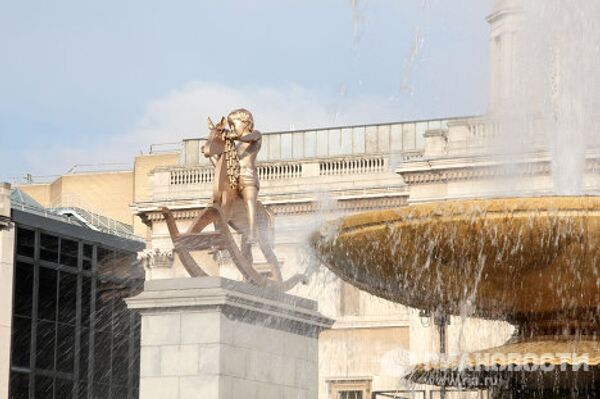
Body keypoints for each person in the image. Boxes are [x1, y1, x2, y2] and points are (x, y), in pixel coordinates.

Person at [224, 108, 262, 244]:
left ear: (246, 123)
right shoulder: (236, 145)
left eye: (234, 125)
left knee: (249, 201)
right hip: (235, 180)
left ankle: (253, 233)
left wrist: (235, 136)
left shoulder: (255, 136)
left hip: (248, 178)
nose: (232, 129)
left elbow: (249, 137)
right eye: (231, 126)